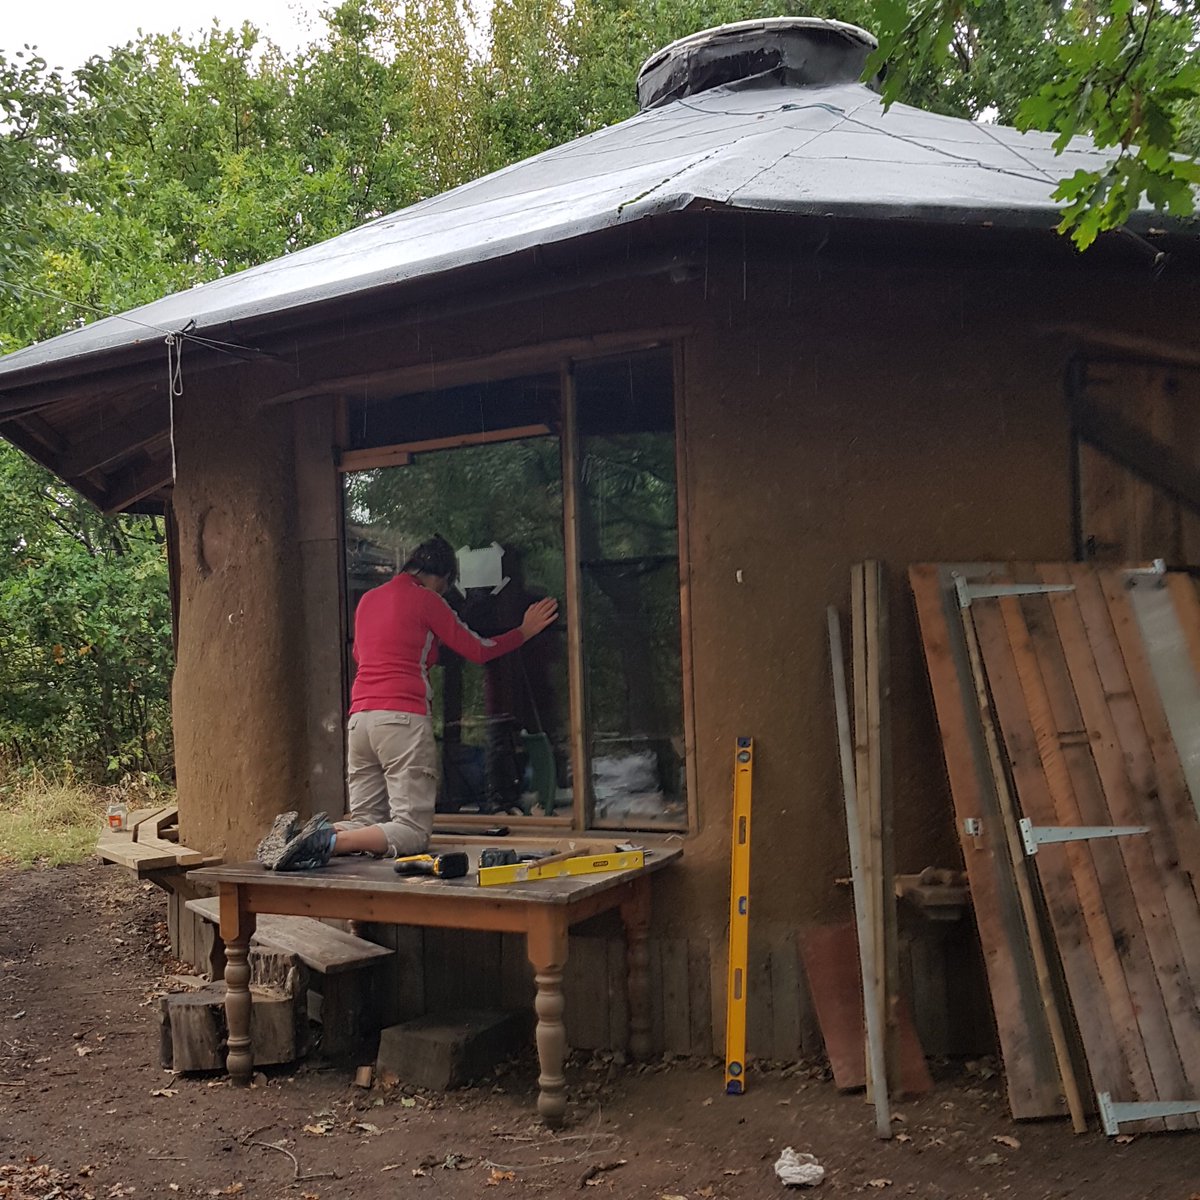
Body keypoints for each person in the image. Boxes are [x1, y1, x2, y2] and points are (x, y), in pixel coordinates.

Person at [257, 535, 558, 870]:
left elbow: (362, 654)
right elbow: (478, 648)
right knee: (412, 831)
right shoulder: (427, 600)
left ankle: (300, 838)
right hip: (401, 718)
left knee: (365, 820)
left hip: (360, 721)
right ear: (442, 578)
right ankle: (330, 840)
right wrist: (524, 632)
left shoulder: (369, 600)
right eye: (446, 587)